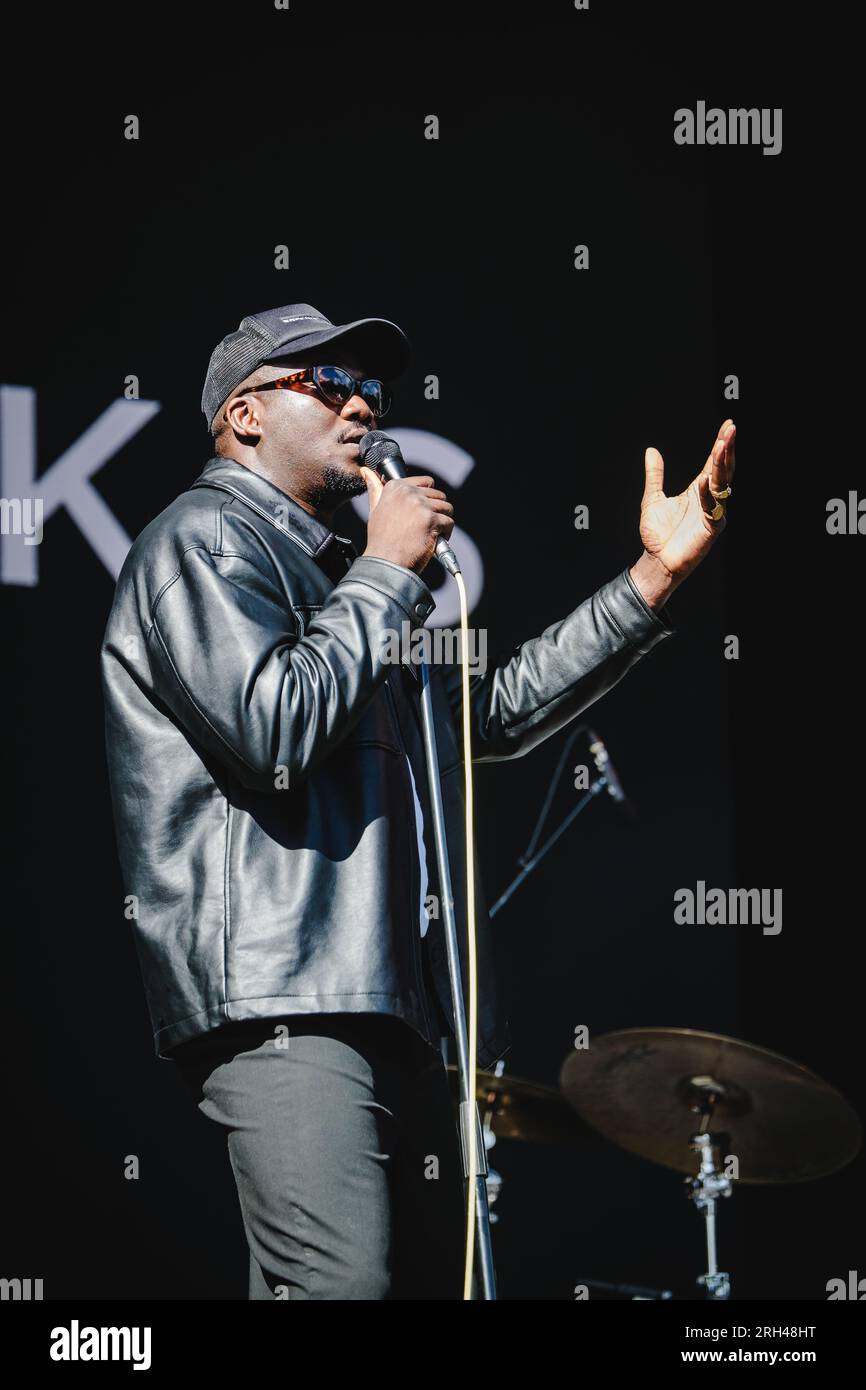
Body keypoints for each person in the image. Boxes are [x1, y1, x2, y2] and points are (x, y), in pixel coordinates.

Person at [100, 301, 735, 1299]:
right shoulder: (205, 537)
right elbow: (272, 729)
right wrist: (385, 567)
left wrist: (649, 579)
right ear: (244, 416)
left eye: (371, 390)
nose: (359, 404)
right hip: (285, 998)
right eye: (326, 381)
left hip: (373, 995)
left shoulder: (333, 572)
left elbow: (489, 714)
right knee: (339, 1287)